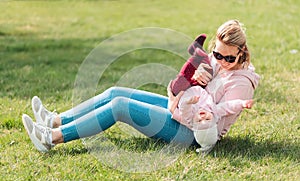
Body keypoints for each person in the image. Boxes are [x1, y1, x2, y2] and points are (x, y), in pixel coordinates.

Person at [22, 19, 260, 153]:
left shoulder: (242, 83)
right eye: (217, 55)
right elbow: (180, 86)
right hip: (181, 111)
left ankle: (51, 138)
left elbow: (215, 117)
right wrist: (190, 83)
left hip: (196, 133)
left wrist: (199, 94)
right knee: (116, 91)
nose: (222, 62)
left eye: (229, 58)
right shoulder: (214, 62)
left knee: (120, 107)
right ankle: (55, 120)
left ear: (242, 54)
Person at [170, 85, 254, 152]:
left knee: (177, 83)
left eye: (199, 121)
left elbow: (184, 109)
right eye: (207, 120)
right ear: (214, 121)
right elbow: (228, 106)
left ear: (194, 124)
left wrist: (189, 102)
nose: (202, 117)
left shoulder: (189, 117)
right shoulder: (215, 112)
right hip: (197, 86)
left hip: (183, 91)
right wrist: (242, 104)